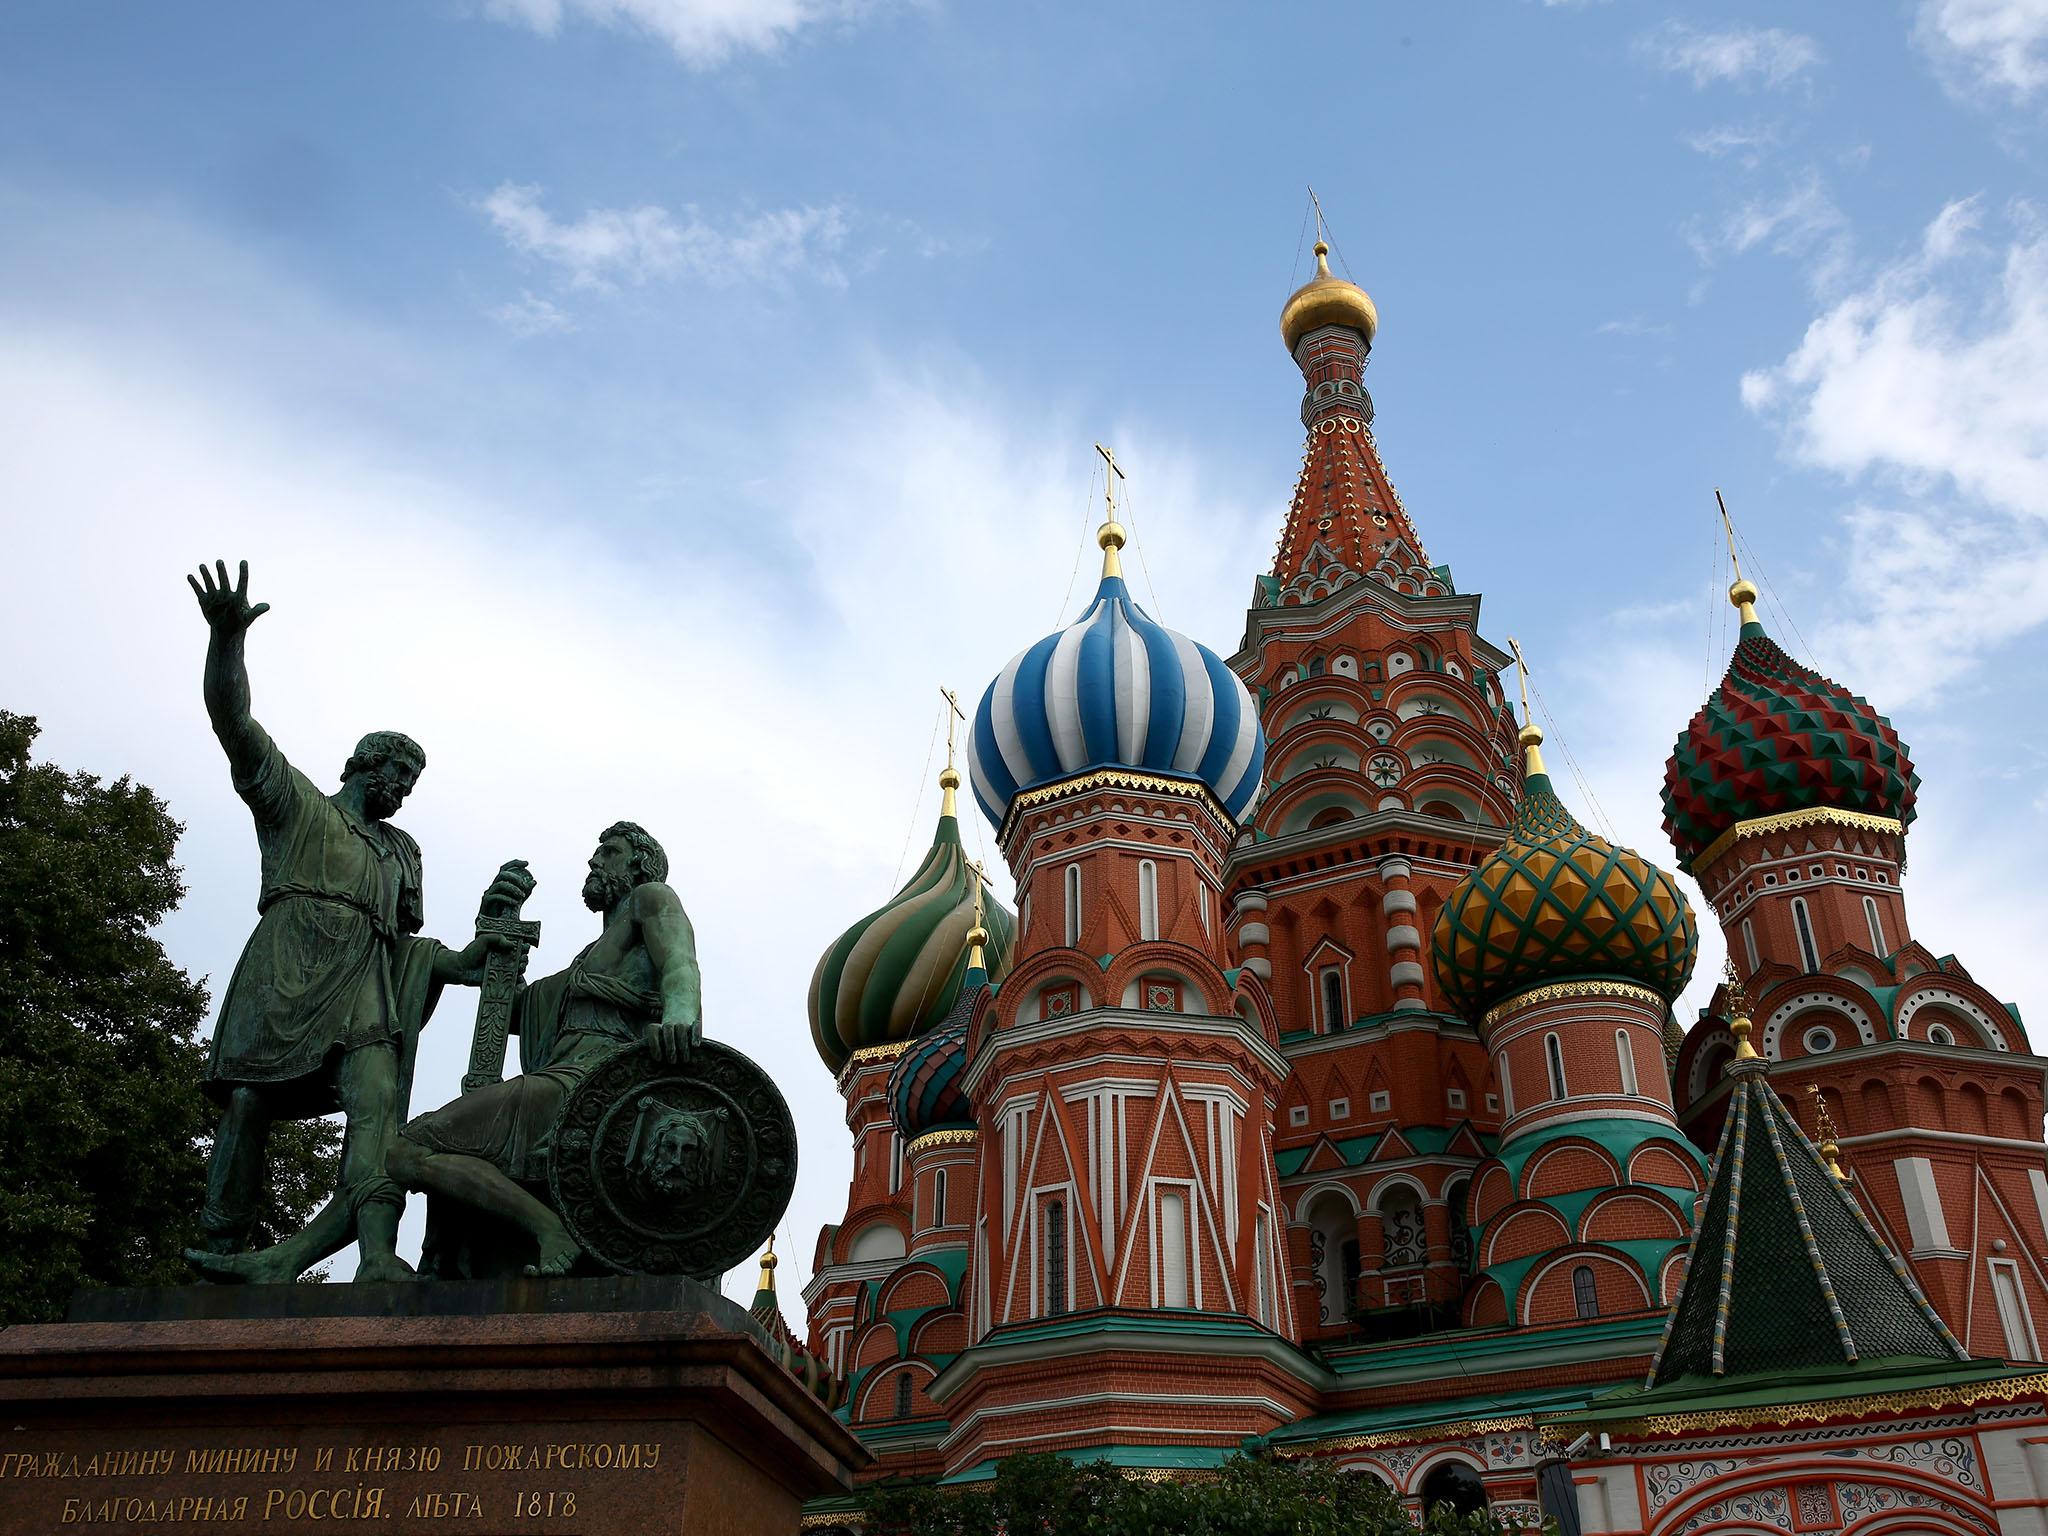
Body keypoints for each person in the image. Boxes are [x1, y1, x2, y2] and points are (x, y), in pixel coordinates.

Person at [182, 560, 516, 1282]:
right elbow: (233, 723)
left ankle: (374, 1256)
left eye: (412, 781)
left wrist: (481, 948)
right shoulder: (297, 807)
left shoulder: (401, 851)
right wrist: (226, 641)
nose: (402, 789)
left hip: (363, 982)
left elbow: (414, 953)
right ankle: (222, 1250)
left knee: (378, 1108)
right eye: (396, 774)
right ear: (365, 765)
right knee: (247, 1103)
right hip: (285, 964)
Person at [391, 821, 701, 1277]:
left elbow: (680, 963)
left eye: (609, 852)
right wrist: (497, 938)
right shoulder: (589, 958)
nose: (595, 861)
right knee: (408, 1153)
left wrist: (678, 1016)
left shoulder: (651, 898)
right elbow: (514, 1012)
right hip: (560, 1077)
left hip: (592, 1081)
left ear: (638, 865)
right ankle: (536, 1230)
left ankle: (548, 1229)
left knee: (407, 1151)